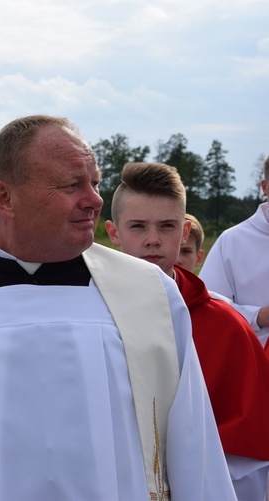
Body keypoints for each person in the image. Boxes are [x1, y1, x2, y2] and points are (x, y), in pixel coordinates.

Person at [0, 115, 235, 500]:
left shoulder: (150, 296)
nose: (95, 200)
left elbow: (195, 455)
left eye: (95, 182)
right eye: (72, 185)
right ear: (4, 198)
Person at [105, 162, 269, 499]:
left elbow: (249, 459)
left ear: (184, 233)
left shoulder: (227, 326)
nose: (153, 239)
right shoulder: (85, 317)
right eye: (138, 226)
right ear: (113, 232)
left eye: (167, 226)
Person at [199, 156, 269, 345]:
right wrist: (258, 316)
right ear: (265, 187)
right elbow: (209, 306)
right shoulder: (232, 241)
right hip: (256, 361)